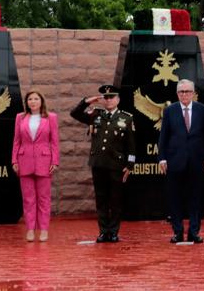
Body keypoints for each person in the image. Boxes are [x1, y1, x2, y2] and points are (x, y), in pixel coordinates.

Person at [70, 83, 136, 243]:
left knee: (115, 199)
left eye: (111, 97)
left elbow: (131, 144)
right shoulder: (95, 114)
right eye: (106, 98)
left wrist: (130, 165)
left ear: (118, 99)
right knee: (101, 199)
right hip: (98, 163)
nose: (108, 100)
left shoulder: (126, 118)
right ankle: (103, 231)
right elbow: (75, 113)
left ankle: (113, 232)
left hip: (116, 165)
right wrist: (88, 101)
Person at [157, 79, 204, 244]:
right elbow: (163, 137)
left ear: (193, 93)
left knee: (195, 198)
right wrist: (162, 158)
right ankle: (177, 232)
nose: (184, 94)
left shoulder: (203, 110)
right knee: (175, 198)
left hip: (197, 161)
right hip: (174, 161)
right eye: (181, 92)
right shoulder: (170, 111)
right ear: (177, 94)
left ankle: (193, 232)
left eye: (188, 91)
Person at [12, 90, 59, 242]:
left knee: (44, 198)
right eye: (30, 99)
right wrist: (14, 160)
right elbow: (16, 141)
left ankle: (44, 229)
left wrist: (55, 161)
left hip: (44, 162)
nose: (33, 101)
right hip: (24, 161)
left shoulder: (51, 117)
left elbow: (54, 142)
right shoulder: (20, 117)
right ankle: (30, 229)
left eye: (36, 99)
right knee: (28, 199)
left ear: (41, 101)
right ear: (26, 102)